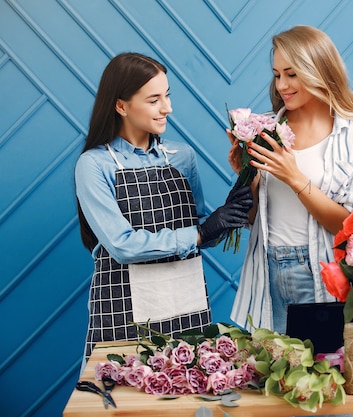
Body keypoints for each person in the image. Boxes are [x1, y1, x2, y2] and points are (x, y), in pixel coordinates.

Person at [75, 52, 253, 360]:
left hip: (186, 306)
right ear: (121, 106)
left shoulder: (182, 157)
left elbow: (201, 230)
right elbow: (122, 245)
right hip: (124, 311)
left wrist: (227, 216)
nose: (167, 108)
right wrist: (199, 234)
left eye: (167, 96)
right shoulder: (94, 165)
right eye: (154, 99)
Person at [229, 26, 353, 335]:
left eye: (292, 74)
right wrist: (245, 178)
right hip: (266, 272)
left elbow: (351, 227)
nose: (282, 85)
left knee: (328, 376)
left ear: (318, 70)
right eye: (276, 75)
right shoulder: (265, 129)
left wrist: (295, 177)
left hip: (326, 271)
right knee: (274, 379)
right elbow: (251, 218)